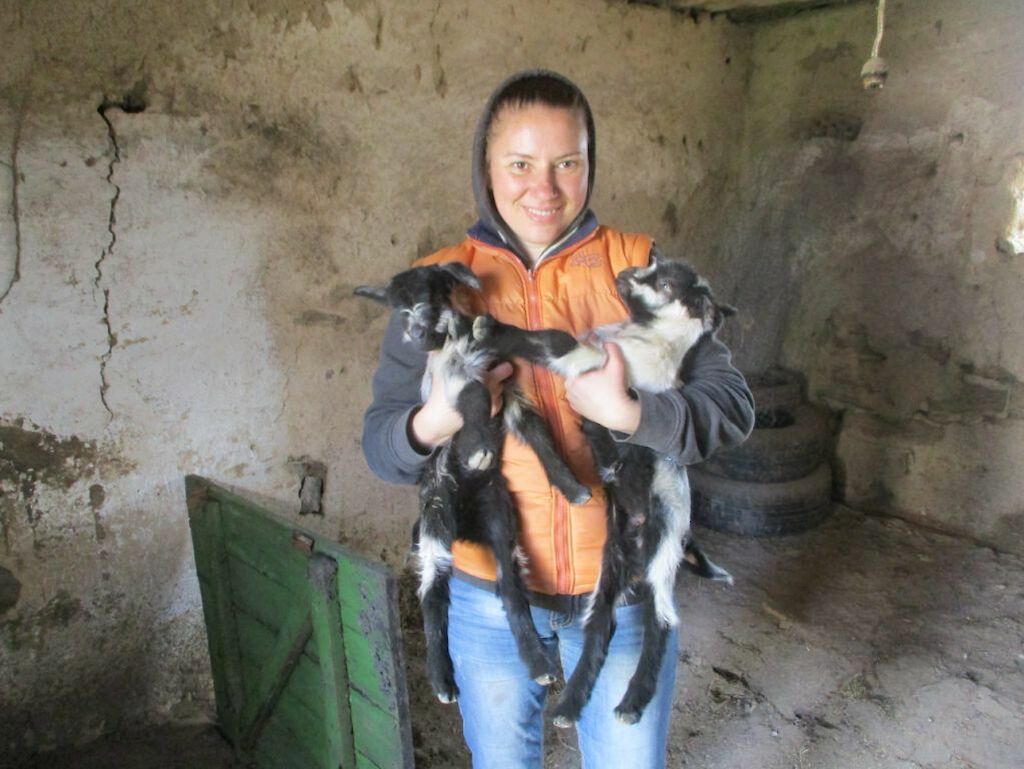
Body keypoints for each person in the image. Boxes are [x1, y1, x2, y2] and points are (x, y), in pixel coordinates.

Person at [362, 70, 754, 769]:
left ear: (590, 163)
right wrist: (435, 420)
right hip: (488, 597)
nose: (543, 188)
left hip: (622, 591)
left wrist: (632, 413)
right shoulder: (436, 284)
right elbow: (381, 446)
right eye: (520, 164)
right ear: (485, 166)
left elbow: (731, 406)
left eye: (566, 163)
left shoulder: (641, 271)